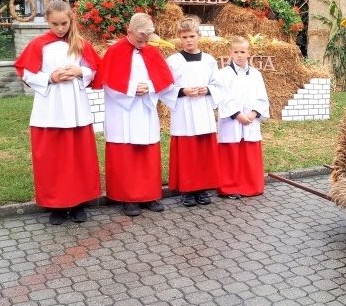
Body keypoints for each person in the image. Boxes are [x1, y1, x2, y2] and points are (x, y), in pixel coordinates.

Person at [13, 0, 102, 225]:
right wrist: (50, 78)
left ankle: (79, 202)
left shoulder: (80, 44)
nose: (60, 28)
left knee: (78, 158)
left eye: (64, 23)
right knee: (54, 160)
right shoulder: (39, 45)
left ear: (70, 20)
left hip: (75, 108)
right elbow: (25, 72)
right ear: (47, 22)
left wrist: (79, 71)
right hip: (50, 109)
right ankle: (57, 205)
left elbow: (95, 69)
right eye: (55, 24)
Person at [94, 13, 174, 217]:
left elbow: (164, 81)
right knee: (126, 154)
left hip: (145, 109)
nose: (144, 44)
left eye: (147, 41)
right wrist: (131, 89)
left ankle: (150, 195)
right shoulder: (115, 51)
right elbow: (108, 83)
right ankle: (127, 197)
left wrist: (149, 87)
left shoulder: (151, 52)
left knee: (147, 153)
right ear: (128, 32)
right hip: (123, 112)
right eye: (140, 40)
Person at [161, 17, 224, 207]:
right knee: (187, 152)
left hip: (203, 110)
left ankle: (203, 188)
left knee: (204, 152)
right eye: (184, 37)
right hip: (184, 111)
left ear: (199, 36)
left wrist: (208, 89)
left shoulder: (209, 60)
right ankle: (187, 190)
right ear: (179, 38)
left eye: (192, 36)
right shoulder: (172, 61)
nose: (189, 40)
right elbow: (164, 87)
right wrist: (182, 91)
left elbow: (219, 85)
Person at [216, 36, 270, 198]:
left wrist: (253, 113)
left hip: (250, 120)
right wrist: (237, 115)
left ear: (249, 53)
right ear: (230, 53)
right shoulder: (223, 74)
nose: (239, 55)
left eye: (243, 52)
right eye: (236, 52)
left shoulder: (255, 74)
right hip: (232, 120)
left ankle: (251, 186)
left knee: (249, 155)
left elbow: (262, 96)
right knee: (231, 155)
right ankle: (230, 187)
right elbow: (223, 97)